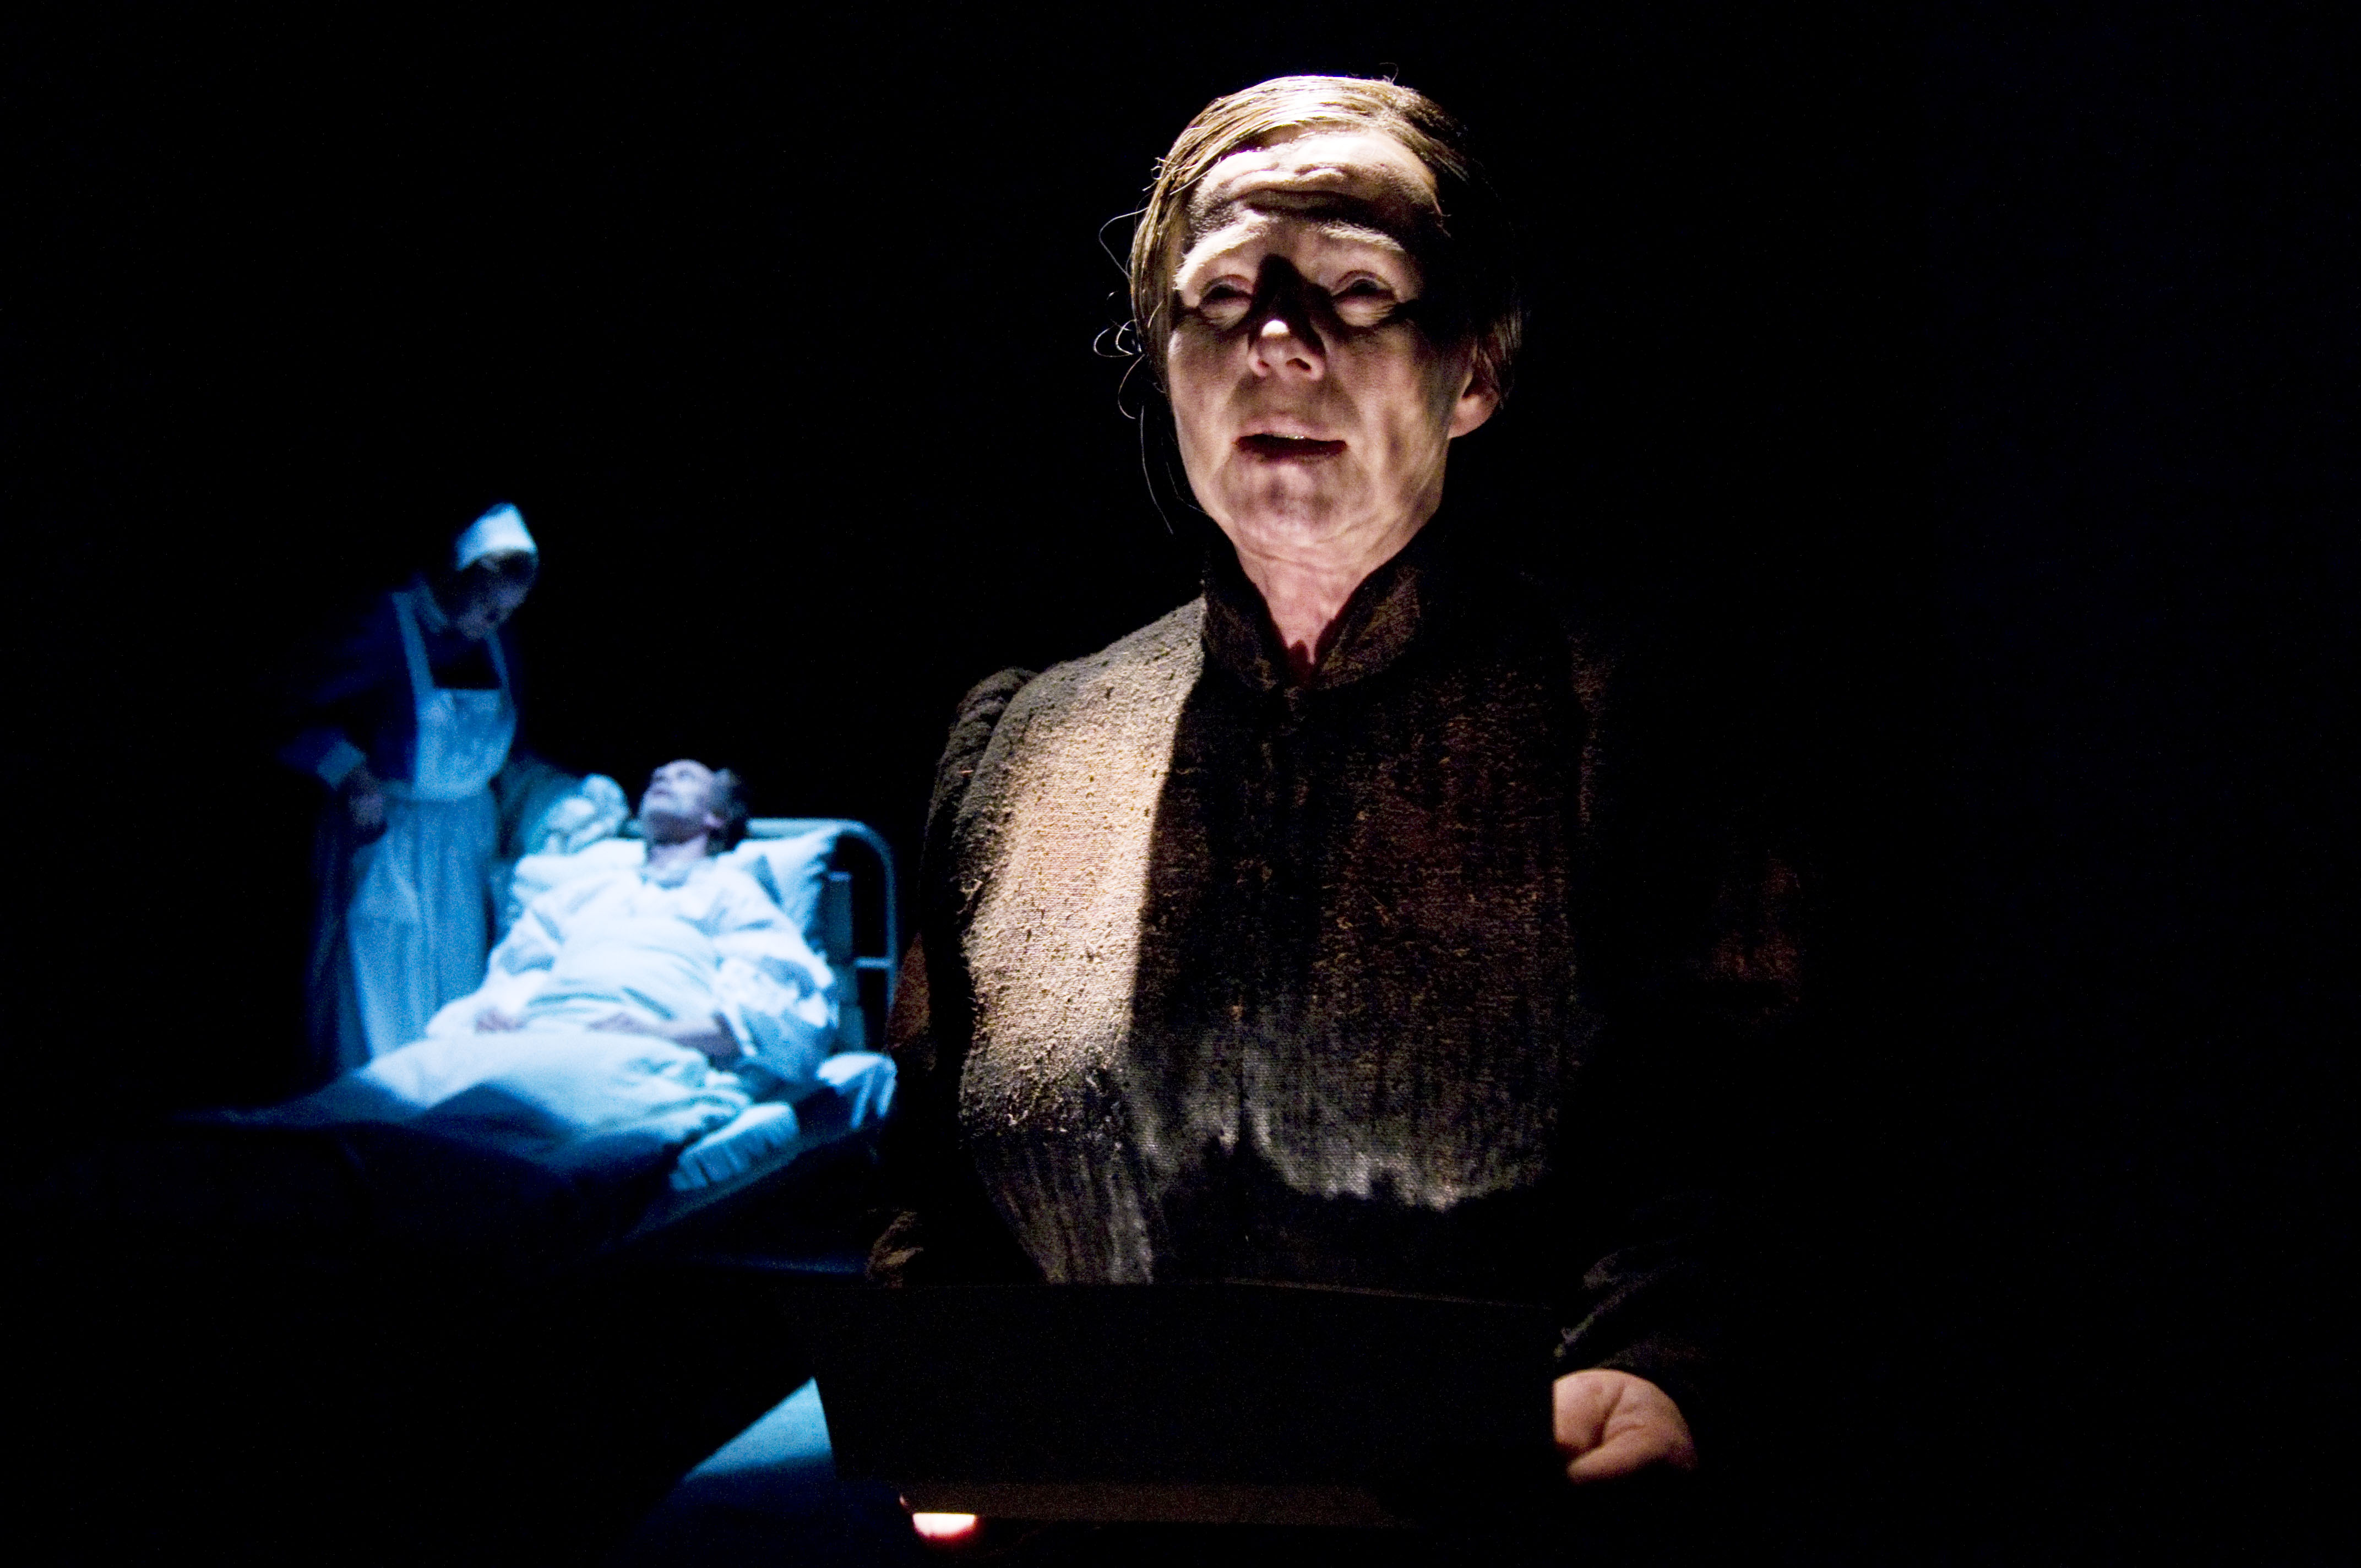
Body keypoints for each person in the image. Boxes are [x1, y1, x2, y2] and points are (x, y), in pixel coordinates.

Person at [869, 73, 1803, 1517]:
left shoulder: (1627, 718)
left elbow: (1743, 1127)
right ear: (1165, 358)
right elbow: (935, 1188)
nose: (1279, 342)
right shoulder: (1023, 743)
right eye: (1222, 293)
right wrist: (942, 1395)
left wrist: (1664, 1360)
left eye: (1357, 291)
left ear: (1475, 370)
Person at [278, 502, 540, 1073]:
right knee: (380, 987)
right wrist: (350, 772)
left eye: (509, 611)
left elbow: (513, 744)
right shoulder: (385, 624)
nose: (496, 620)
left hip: (467, 839)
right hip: (392, 831)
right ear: (457, 577)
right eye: (488, 604)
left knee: (456, 985)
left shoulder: (498, 642)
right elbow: (284, 708)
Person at [434, 758, 836, 1090]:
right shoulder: (580, 894)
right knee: (414, 1082)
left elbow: (776, 1018)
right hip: (532, 1036)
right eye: (657, 777)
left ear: (716, 816)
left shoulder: (732, 893)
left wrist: (656, 1033)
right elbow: (520, 969)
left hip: (639, 1049)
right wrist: (501, 1011)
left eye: (683, 777)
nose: (661, 779)